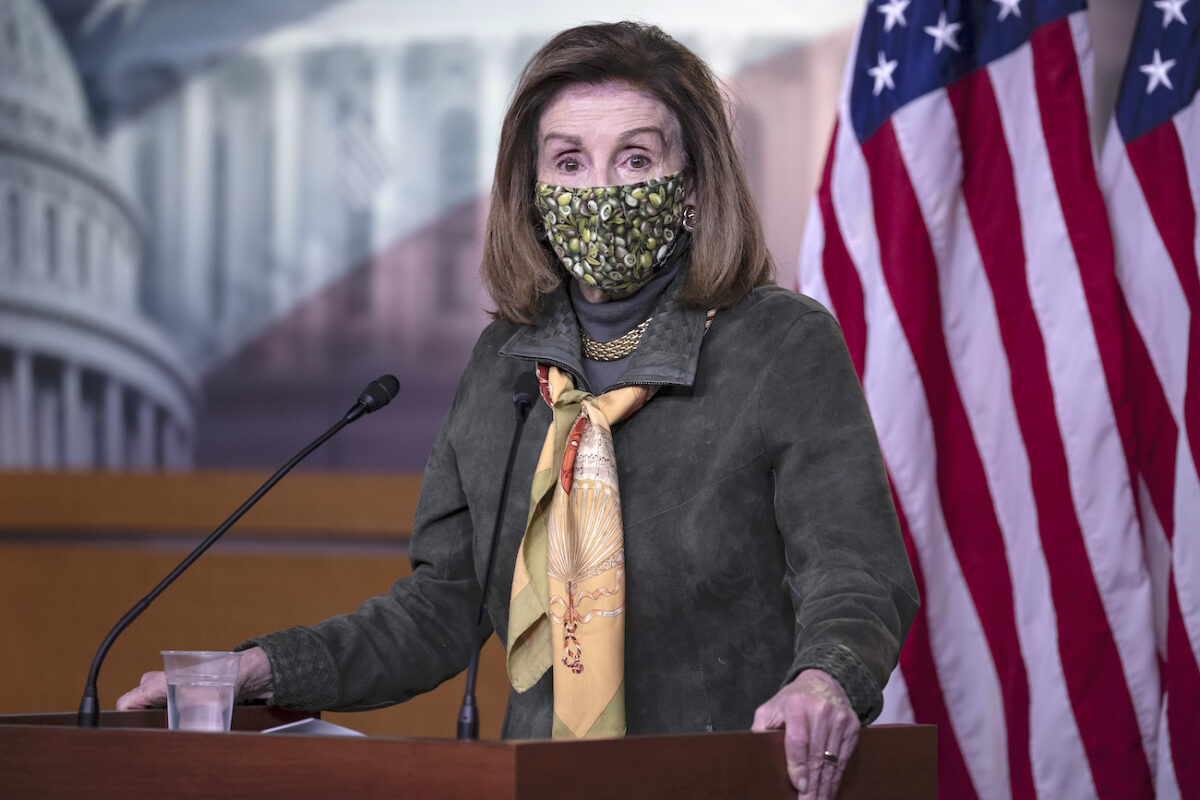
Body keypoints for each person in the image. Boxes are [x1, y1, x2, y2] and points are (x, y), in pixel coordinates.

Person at [119, 22, 918, 800]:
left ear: (694, 184)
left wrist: (826, 678)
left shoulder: (779, 343)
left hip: (729, 780)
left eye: (634, 157)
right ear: (532, 193)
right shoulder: (506, 359)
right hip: (535, 782)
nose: (599, 190)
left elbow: (858, 573)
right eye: (569, 162)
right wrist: (264, 670)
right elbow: (443, 607)